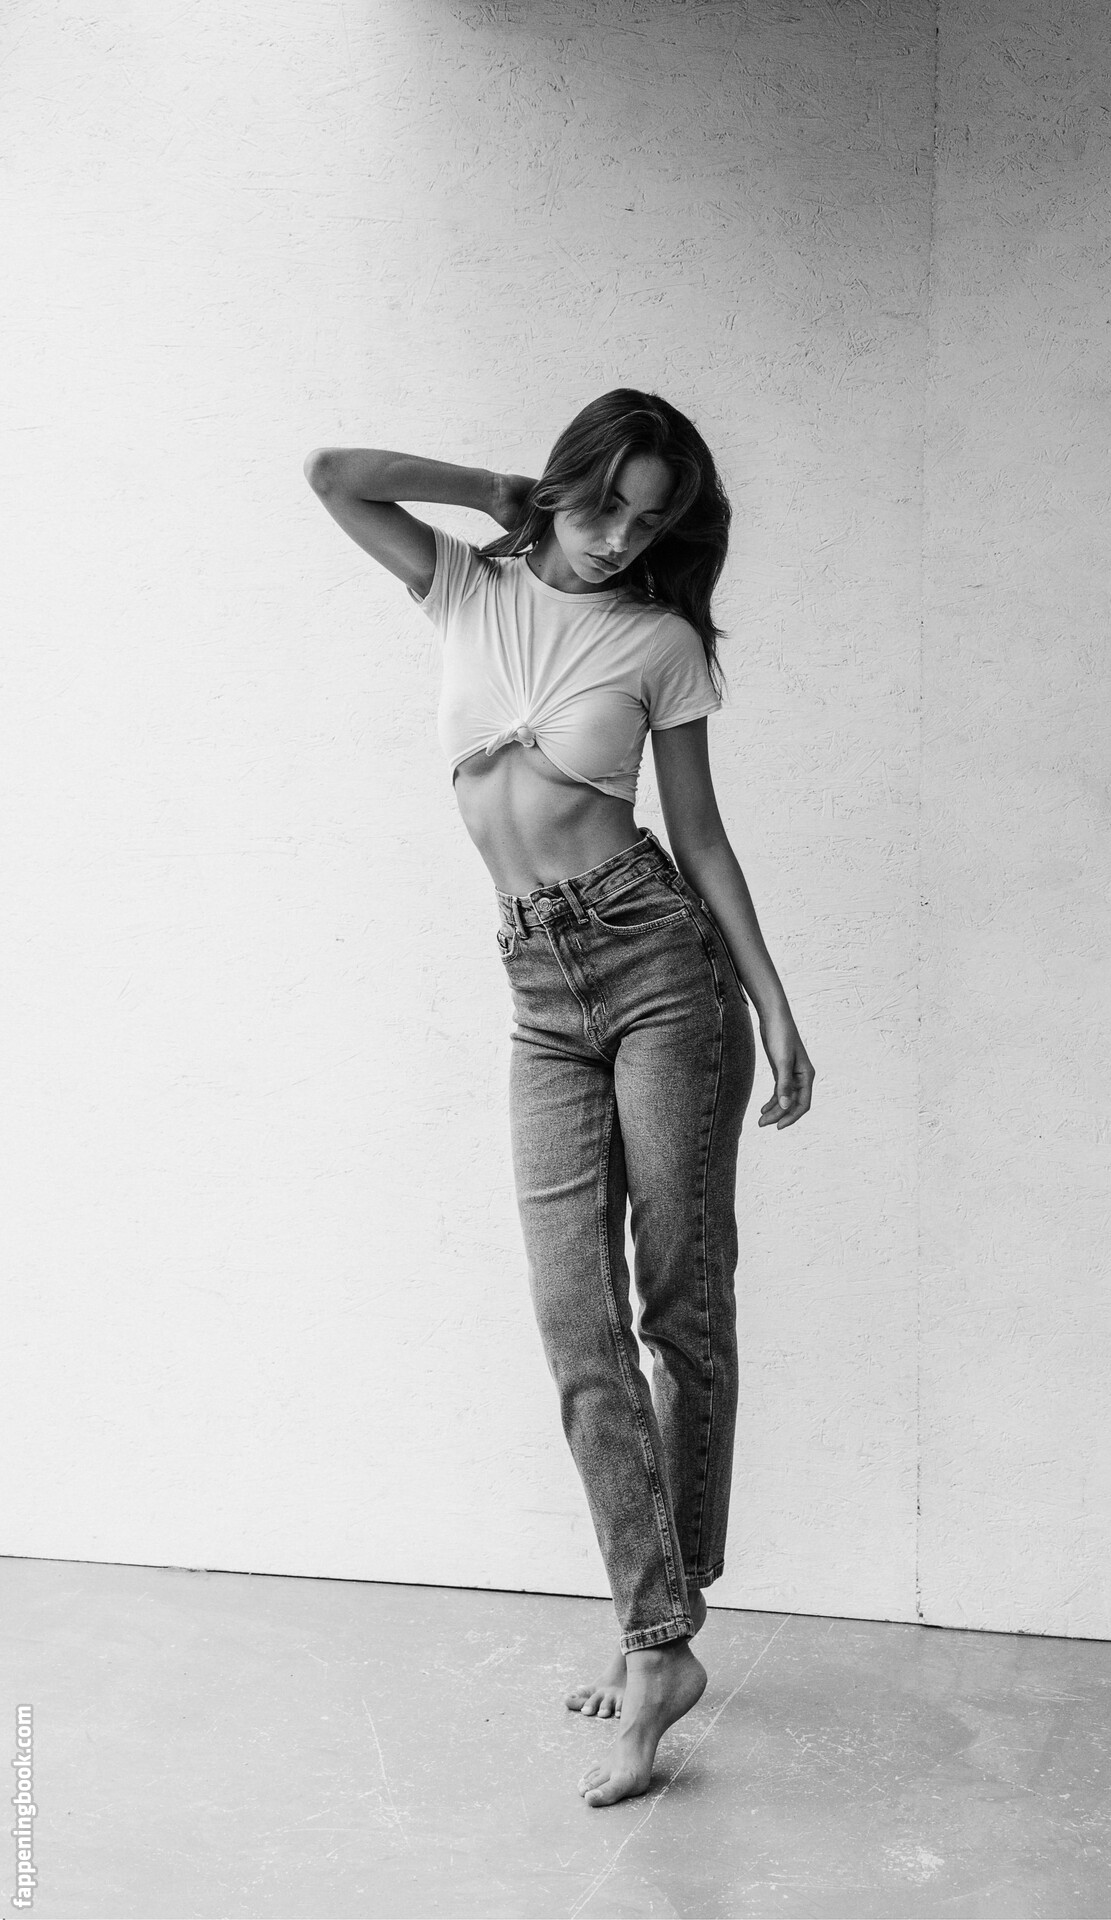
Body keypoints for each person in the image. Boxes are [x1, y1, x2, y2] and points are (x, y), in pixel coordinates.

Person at [303, 388, 815, 1807]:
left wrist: (773, 1002)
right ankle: (664, 1627)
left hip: (659, 965)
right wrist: (495, 491)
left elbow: (699, 834)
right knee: (572, 1316)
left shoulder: (661, 644)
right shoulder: (467, 586)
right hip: (537, 984)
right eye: (602, 505)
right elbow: (333, 471)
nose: (618, 540)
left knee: (679, 1298)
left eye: (649, 523)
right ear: (564, 483)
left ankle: (658, 1637)